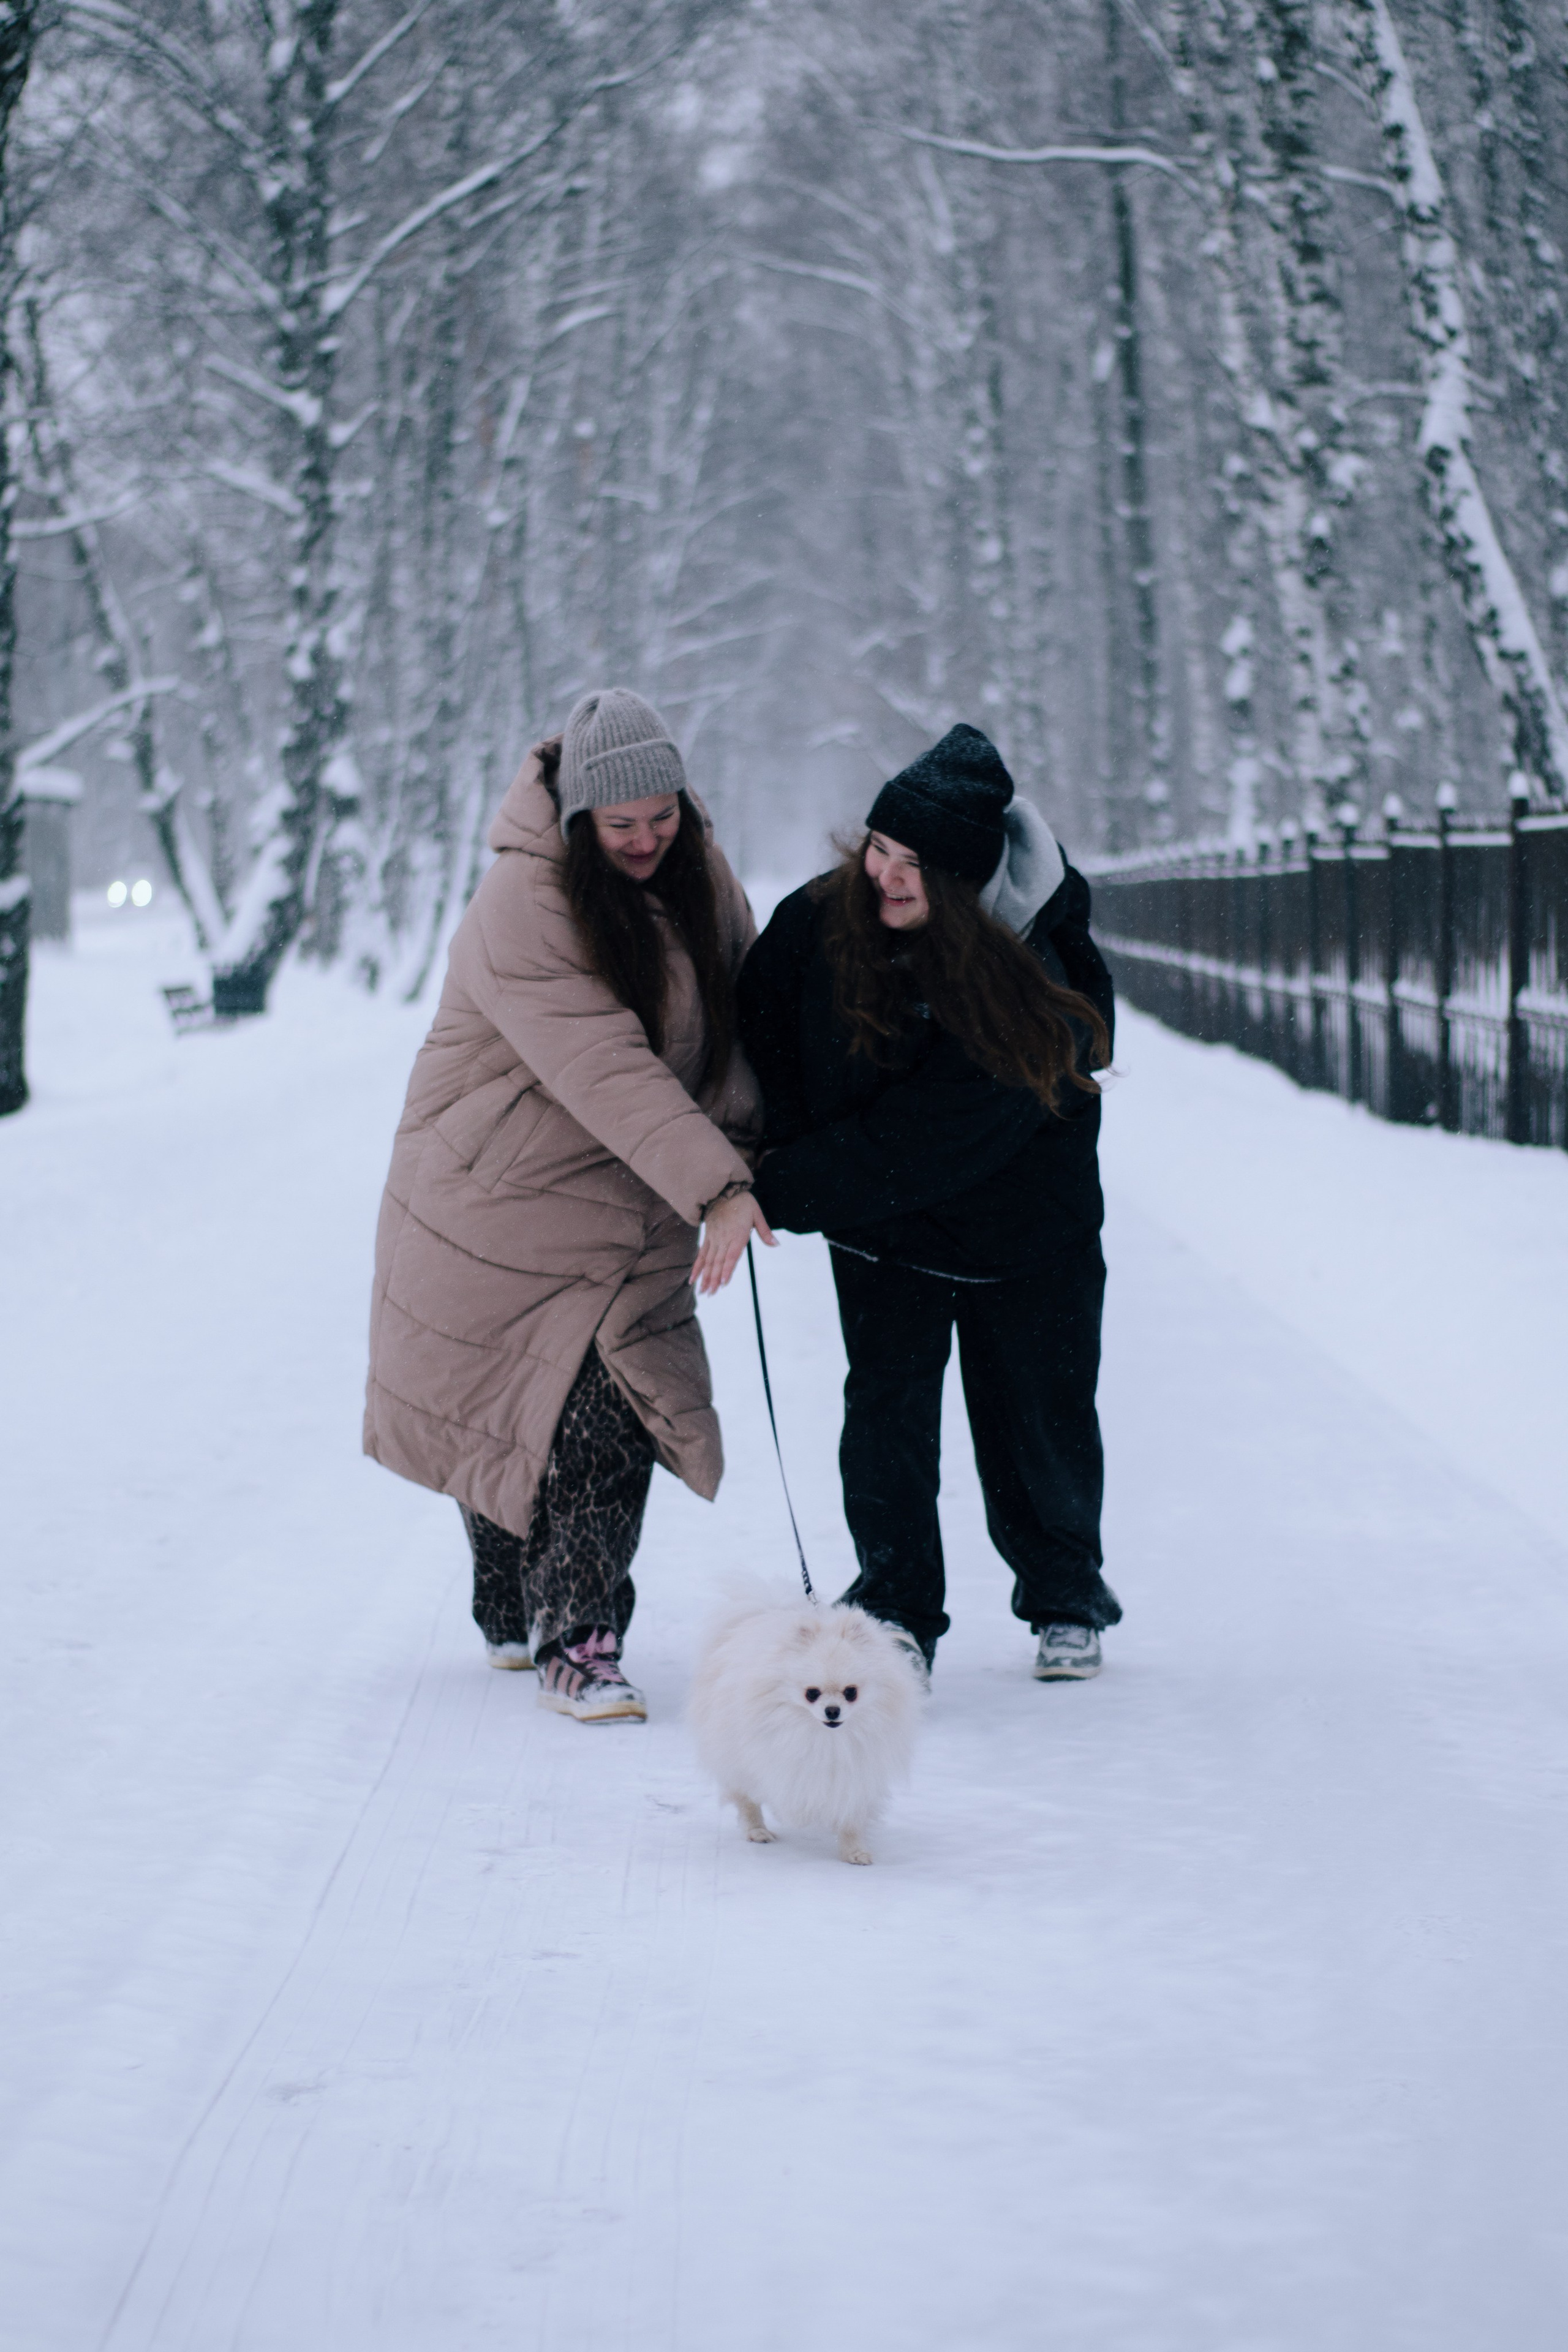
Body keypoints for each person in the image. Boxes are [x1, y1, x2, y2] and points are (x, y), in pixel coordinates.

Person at [364, 688, 773, 1722]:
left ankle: (582, 1638)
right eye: (621, 825)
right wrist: (717, 1183)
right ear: (578, 819)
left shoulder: (702, 878)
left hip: (633, 1189)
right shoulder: (523, 899)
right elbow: (605, 1064)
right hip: (497, 1190)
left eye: (662, 817)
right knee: (509, 1406)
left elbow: (738, 1026)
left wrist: (762, 1153)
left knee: (609, 1416)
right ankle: (513, 1599)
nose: (645, 841)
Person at [736, 723, 1118, 1681]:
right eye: (882, 850)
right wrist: (767, 1135)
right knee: (887, 1418)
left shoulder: (1035, 960)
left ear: (969, 882)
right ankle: (896, 1611)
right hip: (885, 1228)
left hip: (1027, 1226)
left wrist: (779, 1186)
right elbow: (759, 1021)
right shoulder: (823, 918)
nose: (889, 879)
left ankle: (1065, 1596)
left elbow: (932, 1137)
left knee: (1038, 1413)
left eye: (918, 867)